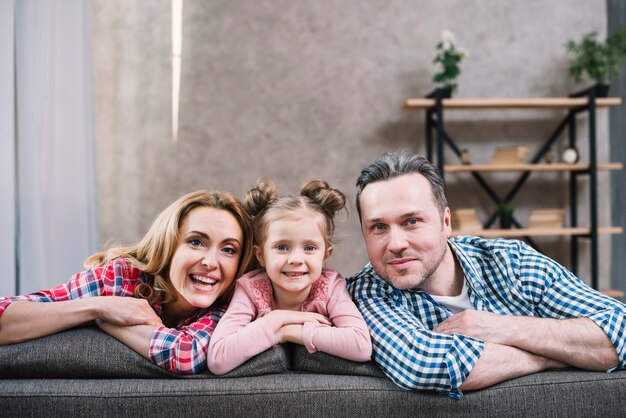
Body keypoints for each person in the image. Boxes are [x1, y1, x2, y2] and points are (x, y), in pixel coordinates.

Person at [346, 150, 626, 399]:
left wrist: (505, 328)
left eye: (412, 222)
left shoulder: (510, 261)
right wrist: (552, 354)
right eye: (378, 228)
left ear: (446, 222)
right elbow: (429, 366)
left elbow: (621, 326)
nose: (395, 244)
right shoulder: (367, 293)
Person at [0, 190, 254, 374]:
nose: (211, 262)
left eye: (229, 249)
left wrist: (104, 322)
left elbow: (185, 355)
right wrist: (98, 307)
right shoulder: (121, 277)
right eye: (196, 242)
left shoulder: (229, 304)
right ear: (169, 244)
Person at [207, 179, 372, 375]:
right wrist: (279, 319)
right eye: (282, 247)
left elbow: (361, 345)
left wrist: (289, 332)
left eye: (309, 248)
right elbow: (218, 358)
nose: (295, 259)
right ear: (261, 255)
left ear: (326, 255)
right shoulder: (251, 288)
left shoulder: (330, 286)